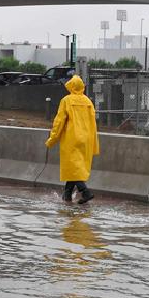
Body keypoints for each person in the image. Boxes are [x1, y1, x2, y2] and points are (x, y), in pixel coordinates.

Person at [45, 75, 99, 204]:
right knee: (75, 167)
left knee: (73, 167)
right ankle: (67, 196)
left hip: (72, 138)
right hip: (86, 138)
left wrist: (52, 139)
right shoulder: (88, 101)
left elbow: (59, 122)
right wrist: (94, 142)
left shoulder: (66, 100)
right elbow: (93, 123)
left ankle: (85, 192)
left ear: (71, 86)